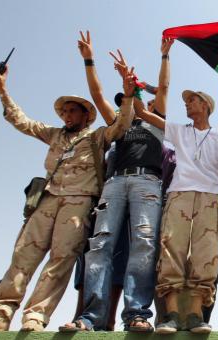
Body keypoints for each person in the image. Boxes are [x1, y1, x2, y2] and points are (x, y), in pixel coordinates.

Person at [0, 64, 134, 332]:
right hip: (46, 200)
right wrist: (2, 89)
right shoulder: (55, 134)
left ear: (86, 115)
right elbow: (21, 121)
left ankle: (35, 316)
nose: (67, 116)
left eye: (72, 111)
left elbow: (122, 125)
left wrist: (127, 97)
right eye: (64, 112)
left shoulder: (96, 136)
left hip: (78, 202)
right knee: (22, 257)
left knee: (61, 260)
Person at [60, 32, 173, 332]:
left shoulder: (155, 121)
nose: (130, 99)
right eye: (127, 96)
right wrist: (88, 60)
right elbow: (97, 95)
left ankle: (136, 313)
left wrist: (164, 56)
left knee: (144, 244)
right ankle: (90, 317)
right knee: (100, 245)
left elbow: (163, 86)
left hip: (147, 183)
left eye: (134, 94)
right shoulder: (118, 122)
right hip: (115, 184)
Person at [154, 84, 218, 334]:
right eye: (186, 100)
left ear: (205, 105)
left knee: (206, 253)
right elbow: (149, 116)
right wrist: (133, 95)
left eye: (192, 100)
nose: (187, 103)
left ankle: (195, 315)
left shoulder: (217, 136)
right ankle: (170, 315)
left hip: (209, 196)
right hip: (179, 193)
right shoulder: (179, 131)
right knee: (172, 248)